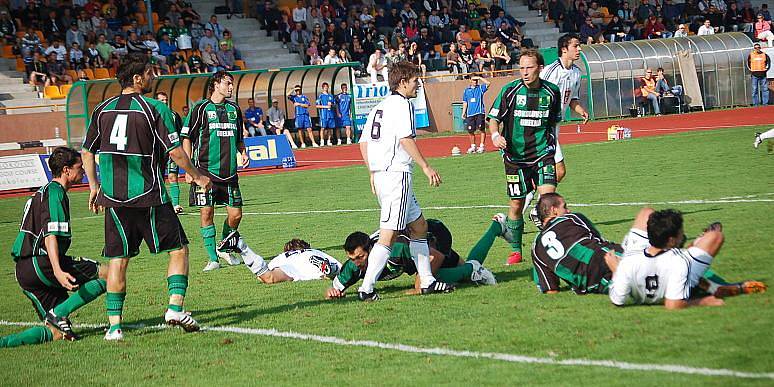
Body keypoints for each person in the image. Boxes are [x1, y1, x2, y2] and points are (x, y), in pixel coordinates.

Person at [82, 53, 211, 340]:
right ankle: (175, 308)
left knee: (118, 260)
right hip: (149, 195)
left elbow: (87, 151)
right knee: (178, 249)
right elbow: (175, 152)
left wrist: (93, 185)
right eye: (150, 73)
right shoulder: (154, 109)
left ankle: (114, 327)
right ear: (138, 78)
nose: (154, 77)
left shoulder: (102, 110)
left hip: (114, 199)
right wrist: (198, 175)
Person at [534, 193, 766, 298]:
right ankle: (691, 258)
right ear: (554, 211)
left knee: (647, 216)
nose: (569, 209)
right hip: (614, 261)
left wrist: (576, 281)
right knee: (661, 253)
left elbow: (551, 290)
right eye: (565, 206)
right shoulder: (573, 218)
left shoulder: (536, 250)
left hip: (604, 272)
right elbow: (599, 241)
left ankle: (681, 249)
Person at [357, 62, 454, 301]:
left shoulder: (380, 107)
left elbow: (363, 142)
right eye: (414, 81)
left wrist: (372, 171)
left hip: (384, 176)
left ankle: (428, 282)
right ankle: (366, 289)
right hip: (395, 176)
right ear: (402, 83)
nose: (418, 85)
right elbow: (405, 139)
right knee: (388, 235)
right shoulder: (402, 105)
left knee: (419, 227)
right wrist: (425, 166)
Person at [2, 148, 107, 347]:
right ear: (66, 170)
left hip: (24, 271)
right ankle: (59, 314)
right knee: (109, 275)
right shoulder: (55, 193)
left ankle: (4, 343)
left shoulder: (42, 193)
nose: (84, 170)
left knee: (57, 333)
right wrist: (58, 271)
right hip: (41, 261)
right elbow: (50, 235)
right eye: (79, 167)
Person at [487, 49, 562, 266]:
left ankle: (551, 247)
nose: (525, 72)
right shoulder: (510, 91)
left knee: (549, 201)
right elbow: (493, 118)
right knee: (516, 205)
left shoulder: (552, 92)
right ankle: (515, 250)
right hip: (514, 158)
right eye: (521, 68)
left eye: (529, 67)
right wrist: (494, 135)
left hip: (542, 154)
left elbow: (554, 122)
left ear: (540, 68)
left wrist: (553, 149)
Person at [608, 209, 767, 308]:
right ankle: (708, 284)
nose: (683, 234)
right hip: (677, 271)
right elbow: (673, 304)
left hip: (638, 262)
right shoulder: (681, 261)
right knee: (716, 236)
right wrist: (705, 302)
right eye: (681, 233)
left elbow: (617, 300)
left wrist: (617, 270)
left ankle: (705, 274)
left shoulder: (628, 262)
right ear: (671, 241)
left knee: (646, 212)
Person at [325, 218, 498, 299]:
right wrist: (333, 292)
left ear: (372, 249)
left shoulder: (396, 249)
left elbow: (434, 256)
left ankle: (471, 270)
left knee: (424, 284)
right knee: (464, 268)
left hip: (434, 235)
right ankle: (496, 226)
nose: (357, 262)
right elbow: (333, 289)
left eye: (361, 257)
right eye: (353, 258)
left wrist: (418, 285)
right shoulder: (354, 266)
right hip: (420, 244)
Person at [522, 34, 591, 234]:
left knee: (552, 173)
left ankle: (529, 210)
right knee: (558, 171)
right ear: (564, 49)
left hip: (554, 128)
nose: (579, 49)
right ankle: (537, 210)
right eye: (576, 46)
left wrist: (580, 110)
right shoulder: (551, 71)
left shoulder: (577, 73)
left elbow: (572, 99)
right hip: (542, 129)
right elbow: (533, 91)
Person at [181, 70, 250, 272]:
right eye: (228, 83)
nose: (231, 87)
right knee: (206, 213)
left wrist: (243, 153)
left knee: (236, 215)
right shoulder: (200, 108)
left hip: (229, 173)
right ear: (216, 83)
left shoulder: (234, 109)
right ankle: (213, 259)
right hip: (204, 172)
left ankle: (223, 246)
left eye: (232, 84)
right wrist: (188, 168)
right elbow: (187, 138)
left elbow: (238, 138)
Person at [238, 238, 342, 284]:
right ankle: (331, 271)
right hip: (314, 259)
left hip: (291, 267)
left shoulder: (283, 256)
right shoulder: (314, 251)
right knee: (340, 272)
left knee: (268, 277)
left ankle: (241, 248)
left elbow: (263, 276)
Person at [156, 91, 185, 214]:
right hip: (158, 152)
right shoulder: (152, 114)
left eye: (166, 100)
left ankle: (176, 204)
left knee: (173, 177)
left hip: (172, 150)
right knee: (159, 179)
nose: (164, 102)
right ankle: (160, 204)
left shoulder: (174, 115)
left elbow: (180, 133)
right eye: (162, 100)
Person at [462, 76, 490, 154]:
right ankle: (473, 146)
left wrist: (480, 78)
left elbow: (488, 83)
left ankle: (481, 146)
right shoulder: (466, 91)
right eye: (474, 80)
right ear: (470, 80)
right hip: (470, 114)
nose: (475, 82)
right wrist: (463, 112)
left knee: (481, 129)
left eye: (476, 80)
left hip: (479, 112)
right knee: (470, 130)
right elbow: (465, 102)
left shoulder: (480, 88)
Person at [315, 82, 336, 146]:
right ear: (323, 88)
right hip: (324, 115)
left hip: (330, 114)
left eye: (327, 87)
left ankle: (329, 140)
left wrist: (331, 105)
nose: (326, 88)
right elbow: (317, 106)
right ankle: (322, 141)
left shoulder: (331, 96)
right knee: (323, 128)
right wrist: (325, 106)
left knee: (330, 128)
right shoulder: (320, 96)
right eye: (324, 87)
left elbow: (334, 104)